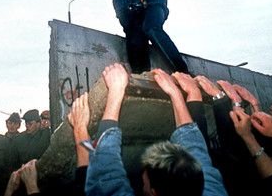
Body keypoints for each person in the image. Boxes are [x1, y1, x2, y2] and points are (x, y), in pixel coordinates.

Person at [84, 63, 227, 196]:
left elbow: (104, 175)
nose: (142, 177)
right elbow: (196, 149)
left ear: (153, 192)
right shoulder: (211, 190)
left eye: (144, 178)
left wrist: (116, 91)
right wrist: (175, 93)